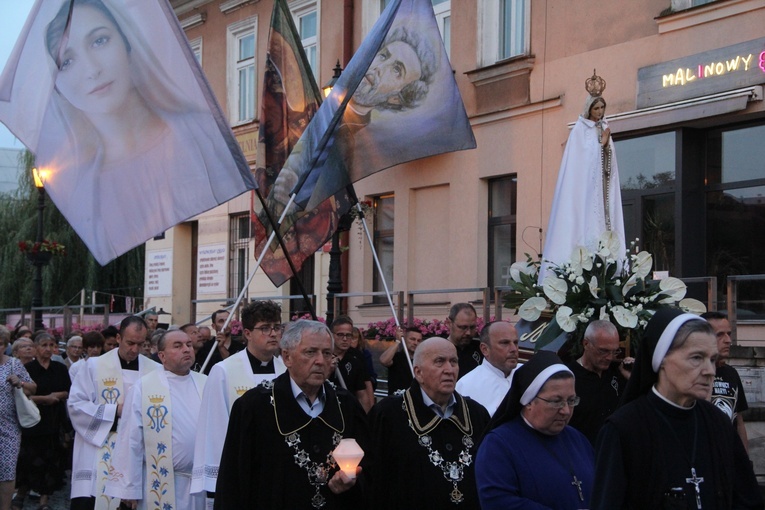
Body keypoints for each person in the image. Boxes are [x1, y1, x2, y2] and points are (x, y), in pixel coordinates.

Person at [35, 0, 254, 264]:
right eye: (67, 61)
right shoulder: (84, 189)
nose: (92, 69)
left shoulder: (202, 134)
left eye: (99, 41)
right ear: (57, 87)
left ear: (127, 43)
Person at [592, 308, 762, 509]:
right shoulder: (624, 430)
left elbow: (747, 500)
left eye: (712, 360)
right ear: (661, 358)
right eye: (696, 358)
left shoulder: (718, 424)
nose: (710, 371)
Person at [214, 320, 369, 509]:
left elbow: (370, 468)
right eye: (310, 352)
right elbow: (232, 482)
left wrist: (351, 481)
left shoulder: (346, 405)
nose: (320, 360)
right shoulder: (254, 407)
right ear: (287, 357)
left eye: (327, 353)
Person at [367, 337, 490, 509]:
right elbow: (375, 480)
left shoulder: (476, 414)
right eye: (439, 362)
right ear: (418, 372)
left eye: (453, 362)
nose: (449, 370)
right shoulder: (389, 414)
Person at [191, 301, 287, 503]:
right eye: (265, 328)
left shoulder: (286, 371)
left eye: (277, 327)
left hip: (276, 470)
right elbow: (214, 428)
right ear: (247, 333)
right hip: (238, 467)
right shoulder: (224, 371)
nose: (273, 334)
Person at [476, 351, 594, 509]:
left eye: (571, 401)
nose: (565, 410)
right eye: (556, 401)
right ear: (529, 401)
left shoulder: (577, 439)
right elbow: (498, 502)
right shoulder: (499, 445)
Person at [67, 316, 162, 510]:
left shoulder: (155, 370)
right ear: (118, 338)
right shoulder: (94, 366)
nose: (135, 349)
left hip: (138, 447)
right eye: (130, 343)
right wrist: (115, 411)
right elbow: (76, 405)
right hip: (99, 447)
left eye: (140, 344)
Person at [539, 71, 625, 283]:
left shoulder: (605, 127)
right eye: (596, 108)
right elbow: (582, 163)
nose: (600, 112)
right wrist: (601, 145)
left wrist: (605, 146)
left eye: (602, 108)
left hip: (601, 191)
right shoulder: (580, 130)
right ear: (589, 109)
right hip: (584, 192)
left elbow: (608, 164)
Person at [106, 330, 206, 510]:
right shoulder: (144, 387)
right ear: (162, 356)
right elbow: (130, 439)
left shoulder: (205, 383)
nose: (186, 350)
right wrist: (129, 490)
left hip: (200, 485)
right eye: (178, 346)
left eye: (189, 345)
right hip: (158, 481)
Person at [14, 332, 71, 510]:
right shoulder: (27, 369)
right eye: (44, 345)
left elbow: (68, 391)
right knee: (29, 460)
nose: (48, 349)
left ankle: (44, 501)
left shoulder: (60, 368)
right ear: (36, 348)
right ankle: (21, 495)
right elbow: (21, 396)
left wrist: (56, 396)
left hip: (54, 419)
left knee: (52, 460)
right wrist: (44, 399)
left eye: (51, 345)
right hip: (33, 420)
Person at [565, 320, 633, 444]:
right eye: (603, 351)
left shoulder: (617, 372)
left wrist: (631, 378)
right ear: (586, 344)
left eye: (614, 351)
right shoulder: (569, 377)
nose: (609, 357)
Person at [701, 311, 750, 449]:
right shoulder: (692, 373)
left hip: (729, 455)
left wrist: (745, 463)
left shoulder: (731, 373)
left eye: (729, 334)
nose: (728, 340)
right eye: (720, 335)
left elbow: (739, 421)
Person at [0, 327, 35, 510]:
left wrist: (20, 383)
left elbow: (33, 388)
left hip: (8, 427)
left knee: (6, 472)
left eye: (0, 343)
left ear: (5, 345)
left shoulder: (14, 364)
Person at [456, 321, 521, 416]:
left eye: (515, 342)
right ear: (485, 349)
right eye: (505, 343)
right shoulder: (466, 385)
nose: (514, 349)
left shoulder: (528, 373)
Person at [329, 316, 374, 413]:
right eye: (340, 335)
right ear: (331, 335)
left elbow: (362, 391)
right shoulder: (323, 354)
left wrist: (368, 415)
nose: (345, 339)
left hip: (348, 409)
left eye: (348, 335)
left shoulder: (356, 357)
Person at [195, 309, 244, 375]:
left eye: (228, 320)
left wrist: (222, 348)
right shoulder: (206, 348)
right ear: (214, 326)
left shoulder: (241, 347)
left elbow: (236, 368)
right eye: (221, 321)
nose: (225, 324)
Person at [379, 327, 422, 395]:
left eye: (419, 340)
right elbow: (384, 361)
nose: (415, 343)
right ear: (404, 339)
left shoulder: (421, 360)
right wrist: (398, 341)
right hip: (397, 400)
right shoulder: (397, 357)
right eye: (412, 339)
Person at [445, 303, 483, 378]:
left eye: (472, 327)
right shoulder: (438, 350)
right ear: (449, 323)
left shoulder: (481, 349)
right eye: (463, 327)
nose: (468, 333)